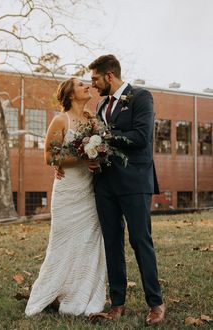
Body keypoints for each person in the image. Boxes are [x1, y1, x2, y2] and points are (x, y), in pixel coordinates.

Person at [87, 54, 166, 326]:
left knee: (140, 241)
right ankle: (116, 303)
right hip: (104, 183)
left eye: (95, 79)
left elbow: (142, 137)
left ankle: (156, 303)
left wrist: (104, 139)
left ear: (109, 75)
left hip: (134, 182)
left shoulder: (141, 97)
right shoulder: (100, 106)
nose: (93, 85)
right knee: (111, 242)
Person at [25, 78, 106, 317]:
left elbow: (102, 150)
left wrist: (98, 156)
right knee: (62, 244)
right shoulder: (60, 120)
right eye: (81, 84)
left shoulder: (93, 120)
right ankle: (52, 293)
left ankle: (81, 292)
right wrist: (83, 158)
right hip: (67, 191)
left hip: (89, 192)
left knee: (88, 243)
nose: (87, 86)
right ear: (71, 94)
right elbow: (49, 156)